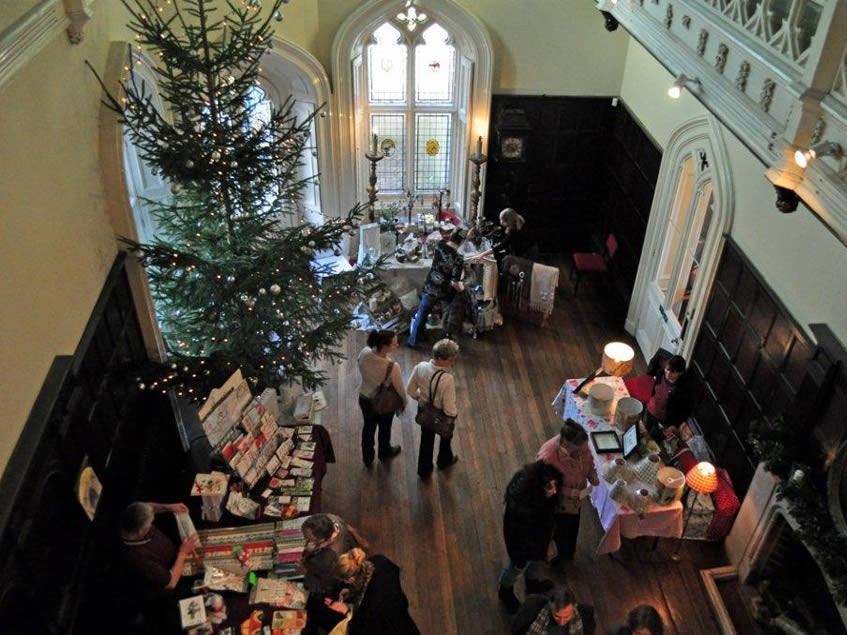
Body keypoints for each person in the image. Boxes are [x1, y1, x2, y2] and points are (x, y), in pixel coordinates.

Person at [498, 460, 564, 614]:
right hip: (522, 547)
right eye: (549, 487)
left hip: (537, 543)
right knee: (515, 569)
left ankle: (532, 583)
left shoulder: (536, 496)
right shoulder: (522, 509)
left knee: (535, 564)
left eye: (555, 485)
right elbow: (520, 536)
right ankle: (505, 591)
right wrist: (541, 548)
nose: (554, 491)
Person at [536, 419, 599, 563]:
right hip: (556, 505)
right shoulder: (547, 458)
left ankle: (566, 553)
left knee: (570, 530)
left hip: (574, 504)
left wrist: (592, 474)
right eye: (578, 449)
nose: (582, 451)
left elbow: (588, 460)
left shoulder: (580, 445)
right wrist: (569, 493)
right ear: (566, 443)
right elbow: (544, 486)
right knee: (556, 532)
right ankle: (553, 559)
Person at [324, 547, 421, 635]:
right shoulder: (379, 561)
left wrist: (346, 612)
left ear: (351, 580)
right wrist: (352, 590)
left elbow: (362, 629)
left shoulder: (369, 604)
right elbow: (394, 570)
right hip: (401, 614)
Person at [406, 338, 460, 478]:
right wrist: (453, 416)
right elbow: (449, 408)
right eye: (451, 359)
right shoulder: (447, 379)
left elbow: (410, 390)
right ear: (442, 359)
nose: (452, 362)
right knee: (446, 437)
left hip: (424, 411)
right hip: (441, 415)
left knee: (426, 441)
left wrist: (422, 399)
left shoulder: (420, 366)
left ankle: (424, 470)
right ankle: (444, 461)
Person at [120, 501, 200, 596]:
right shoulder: (139, 558)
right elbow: (171, 583)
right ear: (141, 532)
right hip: (172, 575)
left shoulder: (131, 517)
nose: (152, 522)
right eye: (150, 523)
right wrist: (183, 552)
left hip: (175, 552)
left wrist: (168, 507)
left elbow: (149, 507)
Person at [407, 227, 467, 349]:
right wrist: (463, 289)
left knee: (422, 313)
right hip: (444, 290)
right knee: (447, 315)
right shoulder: (458, 258)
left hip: (430, 284)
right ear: (461, 242)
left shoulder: (440, 245)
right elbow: (455, 281)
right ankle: (444, 343)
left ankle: (413, 341)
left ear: (452, 236)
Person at [358, 329, 407, 466]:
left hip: (364, 397)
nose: (397, 346)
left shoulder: (364, 352)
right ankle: (384, 453)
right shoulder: (392, 367)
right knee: (384, 429)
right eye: (394, 344)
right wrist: (404, 402)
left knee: (368, 428)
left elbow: (359, 364)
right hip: (383, 402)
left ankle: (367, 457)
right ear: (385, 346)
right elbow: (399, 388)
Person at [643, 354, 697, 442]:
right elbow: (654, 390)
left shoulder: (684, 389)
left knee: (655, 440)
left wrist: (675, 425)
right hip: (651, 409)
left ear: (680, 372)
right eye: (667, 369)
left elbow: (687, 410)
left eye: (673, 372)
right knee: (645, 432)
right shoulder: (660, 373)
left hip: (664, 420)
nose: (668, 374)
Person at [512, 586, 596, 635]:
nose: (562, 622)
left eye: (567, 617)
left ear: (574, 606)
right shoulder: (532, 606)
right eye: (557, 616)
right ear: (550, 605)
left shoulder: (586, 613)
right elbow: (517, 630)